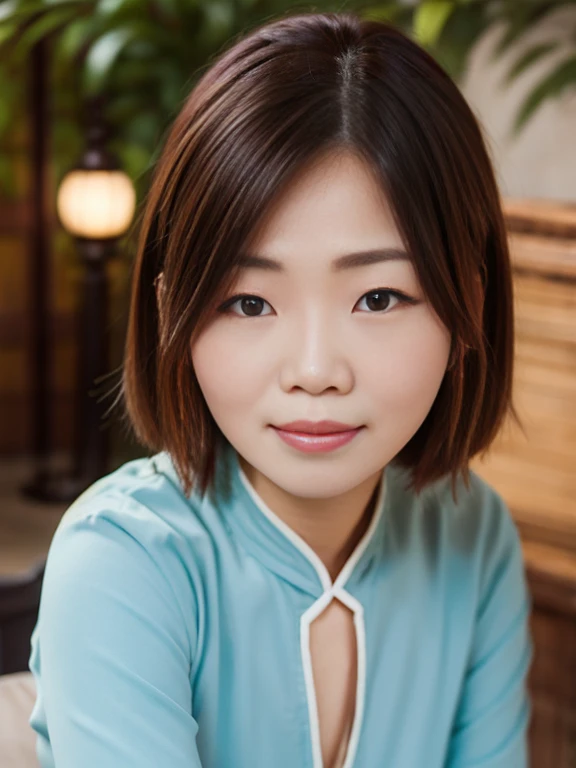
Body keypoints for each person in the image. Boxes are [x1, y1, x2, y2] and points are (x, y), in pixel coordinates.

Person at [28, 11, 534, 768]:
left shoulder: (472, 534)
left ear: (465, 303)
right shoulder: (122, 563)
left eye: (379, 298)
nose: (315, 369)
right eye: (249, 302)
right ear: (174, 311)